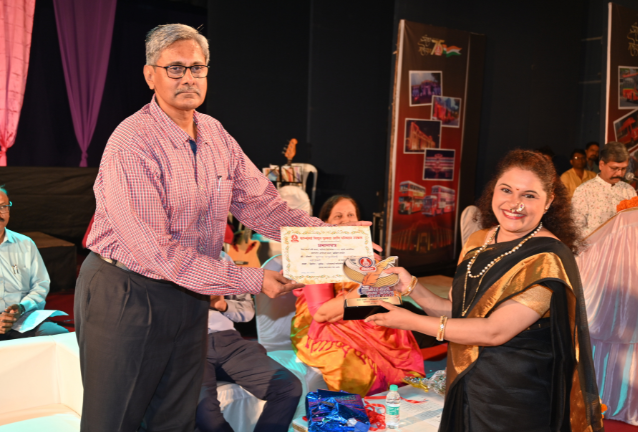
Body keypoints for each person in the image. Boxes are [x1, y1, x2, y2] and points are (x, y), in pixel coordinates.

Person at [76, 24, 371, 432]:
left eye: (197, 68)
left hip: (189, 295)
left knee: (175, 416)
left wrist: (338, 240)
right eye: (175, 68)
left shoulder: (215, 134)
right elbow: (158, 253)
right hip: (128, 292)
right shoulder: (132, 143)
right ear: (150, 75)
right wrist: (254, 279)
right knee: (116, 418)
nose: (188, 78)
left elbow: (263, 206)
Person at [366, 150, 603, 431]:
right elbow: (458, 311)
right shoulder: (479, 239)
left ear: (549, 201)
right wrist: (411, 287)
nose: (514, 203)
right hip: (468, 378)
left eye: (529, 195)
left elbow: (494, 331)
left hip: (516, 392)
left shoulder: (548, 258)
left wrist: (411, 321)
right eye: (506, 190)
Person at [291, 195, 424, 397]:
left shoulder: (367, 253)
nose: (346, 220)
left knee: (401, 338)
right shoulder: (315, 254)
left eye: (350, 215)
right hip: (326, 327)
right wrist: (363, 288)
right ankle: (364, 412)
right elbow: (322, 314)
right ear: (324, 223)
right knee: (359, 370)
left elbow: (383, 294)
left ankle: (397, 409)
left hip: (367, 318)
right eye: (338, 216)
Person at [196, 255, 301, 432]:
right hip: (187, 343)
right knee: (205, 412)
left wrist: (221, 304)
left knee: (288, 386)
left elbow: (247, 313)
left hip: (229, 342)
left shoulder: (222, 258)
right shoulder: (168, 259)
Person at [0, 186, 68, 340]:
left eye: (3, 207)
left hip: (21, 318)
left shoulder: (25, 244)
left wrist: (21, 307)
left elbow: (40, 285)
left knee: (58, 337)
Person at [572, 142, 636, 238]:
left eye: (623, 169)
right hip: (595, 246)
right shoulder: (584, 191)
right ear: (601, 165)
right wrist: (607, 233)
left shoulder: (629, 190)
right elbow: (576, 230)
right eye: (614, 168)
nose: (619, 173)